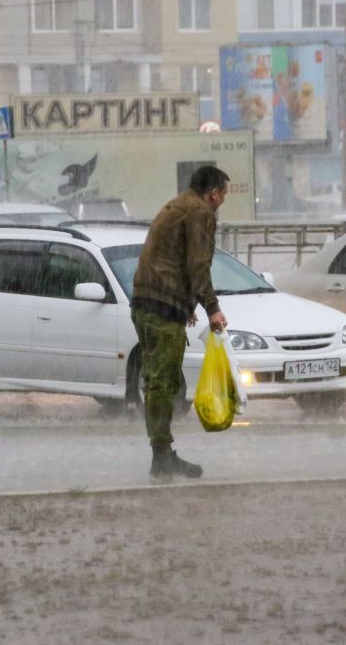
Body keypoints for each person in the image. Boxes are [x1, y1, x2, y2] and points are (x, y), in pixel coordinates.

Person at [132, 165, 230, 481]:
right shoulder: (200, 212)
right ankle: (161, 458)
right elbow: (198, 264)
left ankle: (163, 453)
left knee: (161, 380)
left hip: (147, 301)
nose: (222, 201)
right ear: (213, 193)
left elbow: (170, 258)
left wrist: (185, 303)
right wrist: (212, 308)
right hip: (161, 307)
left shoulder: (178, 204)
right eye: (223, 194)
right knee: (162, 382)